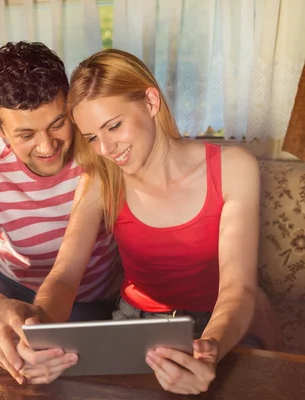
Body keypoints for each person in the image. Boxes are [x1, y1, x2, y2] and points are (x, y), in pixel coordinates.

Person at [18, 48, 282, 393]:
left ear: (151, 102)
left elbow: (238, 288)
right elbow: (65, 275)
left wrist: (210, 350)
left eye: (114, 126)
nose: (107, 149)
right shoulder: (99, 179)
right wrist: (38, 334)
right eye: (92, 137)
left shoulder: (234, 168)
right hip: (136, 325)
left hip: (221, 323)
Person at [0, 42, 121, 384]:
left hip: (89, 295)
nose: (47, 147)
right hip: (7, 284)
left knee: (70, 377)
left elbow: (66, 275)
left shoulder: (100, 146)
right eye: (26, 134)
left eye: (57, 124)